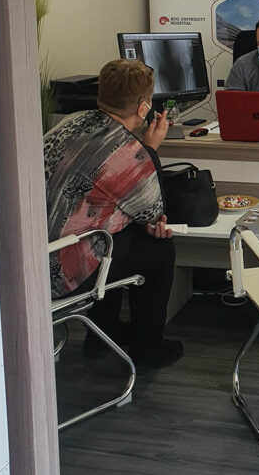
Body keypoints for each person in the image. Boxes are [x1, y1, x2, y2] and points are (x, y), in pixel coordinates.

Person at [45, 59, 183, 371]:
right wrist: (149, 149)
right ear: (144, 107)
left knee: (113, 233)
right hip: (62, 272)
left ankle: (102, 335)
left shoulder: (70, 122)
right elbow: (154, 214)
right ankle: (148, 349)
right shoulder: (129, 152)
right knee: (158, 249)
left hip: (31, 260)